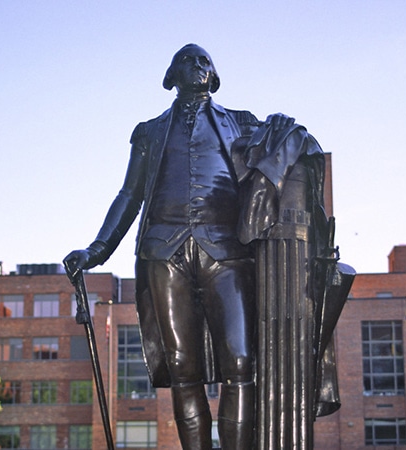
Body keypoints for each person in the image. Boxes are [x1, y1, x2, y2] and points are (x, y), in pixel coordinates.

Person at [64, 43, 292, 450]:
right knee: (183, 368)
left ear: (215, 78)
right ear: (170, 76)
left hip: (226, 251)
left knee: (240, 362)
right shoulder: (148, 131)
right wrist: (96, 250)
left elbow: (294, 143)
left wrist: (279, 151)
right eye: (187, 59)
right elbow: (129, 196)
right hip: (163, 252)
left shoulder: (243, 124)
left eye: (205, 61)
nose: (197, 65)